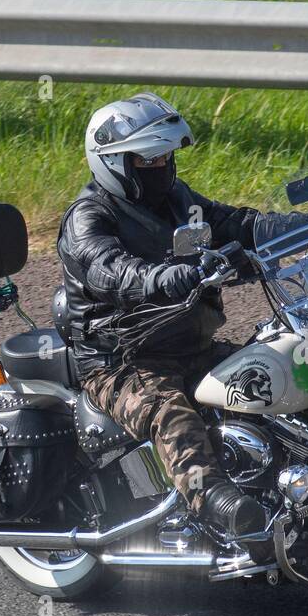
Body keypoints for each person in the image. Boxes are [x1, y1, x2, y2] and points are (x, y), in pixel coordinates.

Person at [55, 93, 269, 540]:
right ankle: (218, 504)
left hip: (193, 348)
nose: (161, 168)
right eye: (147, 160)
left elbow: (238, 223)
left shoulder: (178, 200)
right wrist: (160, 277)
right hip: (122, 363)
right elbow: (106, 267)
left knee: (274, 371)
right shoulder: (88, 217)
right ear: (113, 163)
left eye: (165, 156)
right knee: (172, 416)